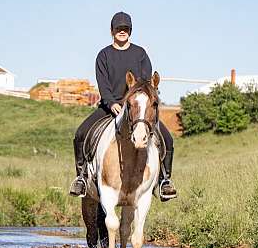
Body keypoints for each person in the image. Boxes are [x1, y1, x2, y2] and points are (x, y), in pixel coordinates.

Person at [69, 11, 177, 201]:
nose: (122, 32)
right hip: (110, 107)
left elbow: (145, 83)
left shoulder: (140, 54)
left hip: (137, 109)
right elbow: (103, 84)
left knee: (167, 139)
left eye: (125, 29)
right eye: (118, 29)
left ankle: (164, 180)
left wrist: (133, 104)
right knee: (80, 134)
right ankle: (82, 177)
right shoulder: (103, 55)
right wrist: (111, 103)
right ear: (112, 31)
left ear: (130, 31)